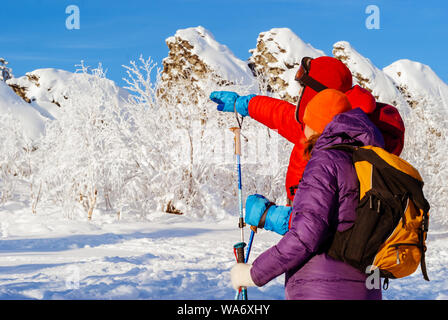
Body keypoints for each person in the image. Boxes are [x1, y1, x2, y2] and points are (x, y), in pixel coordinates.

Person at [230, 88, 385, 300]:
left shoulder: (325, 162)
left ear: (318, 125)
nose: (303, 130)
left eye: (307, 122)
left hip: (322, 290)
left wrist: (252, 274)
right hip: (368, 287)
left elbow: (305, 235)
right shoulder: (371, 162)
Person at [210, 56, 405, 205]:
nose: (299, 93)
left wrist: (276, 218)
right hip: (305, 231)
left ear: (318, 92)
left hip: (320, 244)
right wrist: (244, 103)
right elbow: (280, 114)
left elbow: (328, 218)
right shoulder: (323, 125)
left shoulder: (345, 141)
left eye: (303, 87)